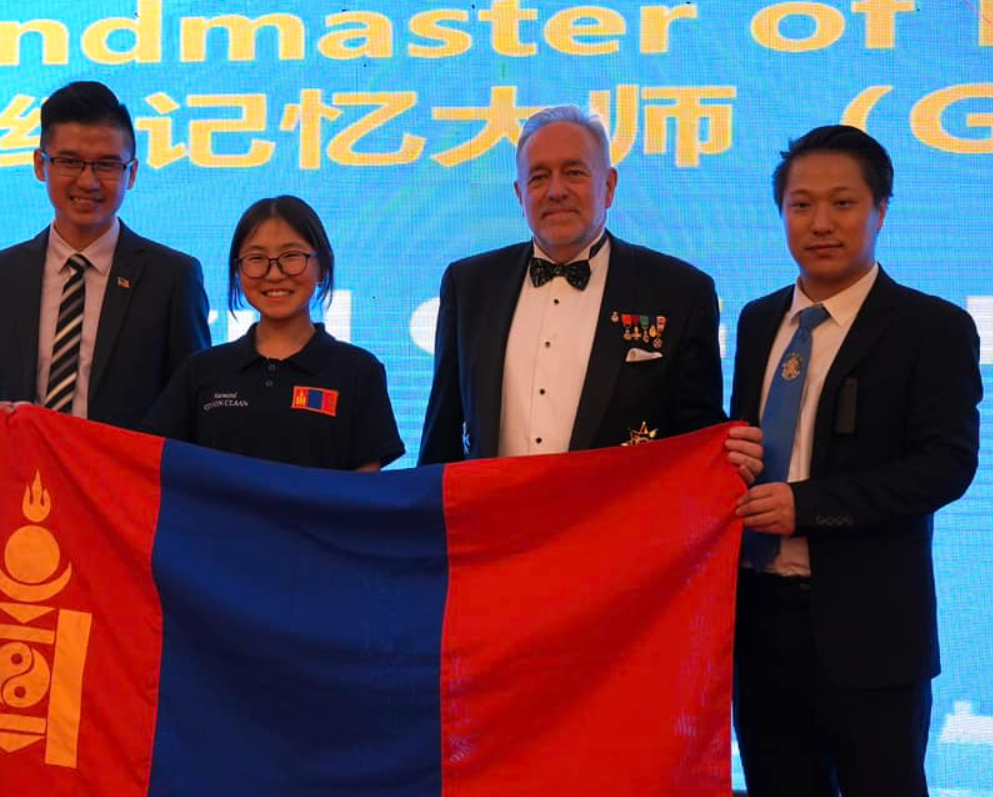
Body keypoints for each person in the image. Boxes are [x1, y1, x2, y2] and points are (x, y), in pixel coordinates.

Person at [731, 125, 981, 796]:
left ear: (880, 211)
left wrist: (806, 506)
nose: (820, 223)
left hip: (872, 634)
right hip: (759, 626)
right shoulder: (758, 321)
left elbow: (945, 466)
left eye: (842, 203)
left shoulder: (931, 327)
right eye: (801, 205)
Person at [418, 104, 760, 477]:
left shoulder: (680, 292)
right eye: (538, 177)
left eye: (574, 173)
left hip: (625, 513)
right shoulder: (470, 285)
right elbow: (442, 437)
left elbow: (698, 441)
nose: (556, 191)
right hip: (492, 513)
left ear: (609, 187)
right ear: (519, 194)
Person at [0, 81, 210, 451]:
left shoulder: (172, 277)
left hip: (121, 484)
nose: (87, 181)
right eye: (70, 162)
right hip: (24, 481)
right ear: (40, 165)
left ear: (132, 173)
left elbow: (193, 409)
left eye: (107, 164)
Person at [142, 195, 404, 471]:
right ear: (237, 271)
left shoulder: (359, 371)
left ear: (323, 267)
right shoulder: (202, 370)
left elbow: (366, 487)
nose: (275, 274)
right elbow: (154, 466)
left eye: (291, 256)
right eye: (256, 258)